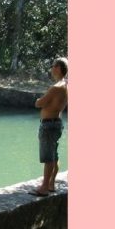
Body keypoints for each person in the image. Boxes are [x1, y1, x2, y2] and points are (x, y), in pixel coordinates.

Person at [32, 57, 68, 196]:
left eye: (53, 66)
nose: (51, 69)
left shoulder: (56, 87)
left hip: (48, 125)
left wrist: (38, 101)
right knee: (54, 156)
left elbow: (40, 103)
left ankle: (44, 188)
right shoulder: (66, 85)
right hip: (57, 123)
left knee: (48, 158)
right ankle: (51, 184)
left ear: (58, 68)